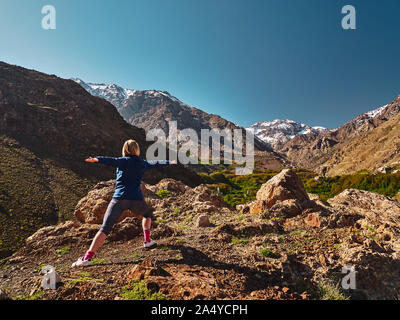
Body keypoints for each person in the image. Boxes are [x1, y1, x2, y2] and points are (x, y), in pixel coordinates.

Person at [72, 139, 171, 267]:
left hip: (119, 199)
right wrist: (169, 162)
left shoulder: (123, 161)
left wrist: (97, 159)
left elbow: (110, 161)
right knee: (147, 216)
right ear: (137, 149)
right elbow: (156, 163)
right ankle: (147, 240)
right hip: (136, 199)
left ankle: (87, 258)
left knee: (105, 228)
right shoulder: (142, 163)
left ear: (125, 150)